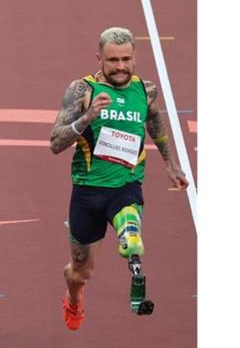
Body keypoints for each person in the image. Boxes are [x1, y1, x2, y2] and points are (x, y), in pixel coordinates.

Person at [49, 26, 189, 331]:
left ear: (134, 57)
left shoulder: (146, 90)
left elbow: (153, 119)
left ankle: (131, 241)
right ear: (99, 58)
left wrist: (170, 163)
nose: (121, 66)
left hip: (126, 186)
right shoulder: (82, 91)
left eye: (126, 59)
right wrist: (87, 118)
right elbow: (55, 143)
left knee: (131, 229)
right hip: (87, 192)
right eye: (113, 60)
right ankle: (74, 298)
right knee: (79, 270)